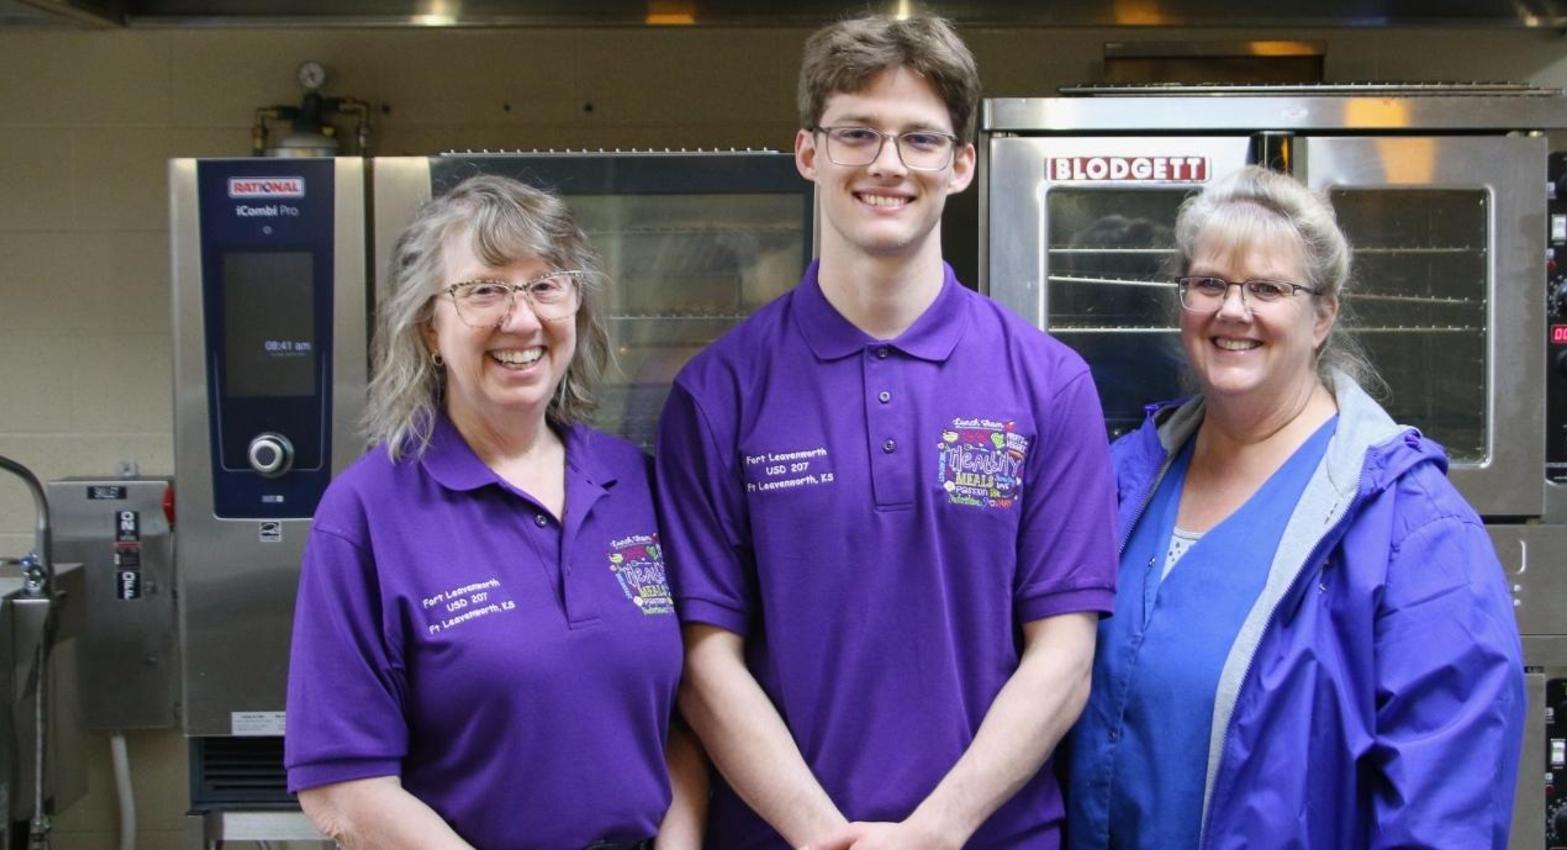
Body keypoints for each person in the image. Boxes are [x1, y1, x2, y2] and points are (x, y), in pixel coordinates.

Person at [654, 13, 1117, 850]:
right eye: (856, 134)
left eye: (921, 139)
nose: (888, 165)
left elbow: (1064, 657)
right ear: (808, 153)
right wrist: (823, 836)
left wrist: (936, 833)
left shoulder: (1049, 385)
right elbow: (704, 662)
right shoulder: (719, 392)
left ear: (963, 164)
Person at [1066, 166, 1526, 850]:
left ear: (1323, 314)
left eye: (1268, 289)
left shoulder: (1414, 529)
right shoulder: (1125, 480)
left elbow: (1443, 814)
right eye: (1209, 283)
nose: (1232, 310)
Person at [284, 175, 703, 850]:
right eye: (484, 290)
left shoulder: (636, 484)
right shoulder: (367, 514)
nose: (523, 319)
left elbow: (682, 724)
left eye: (546, 285)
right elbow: (343, 787)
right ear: (428, 327)